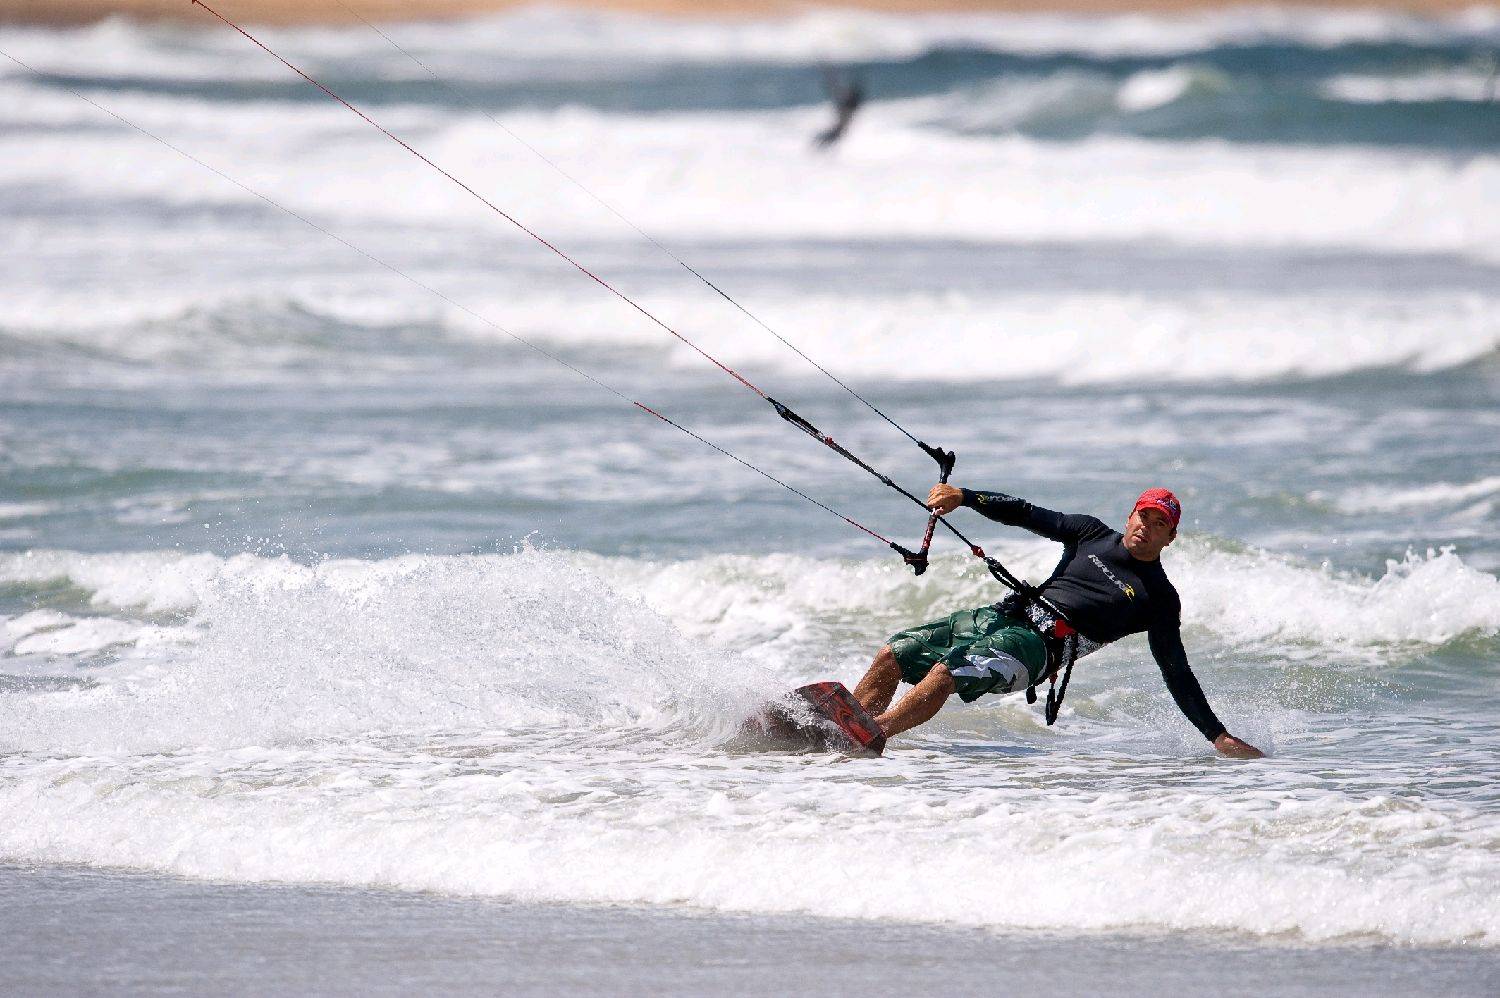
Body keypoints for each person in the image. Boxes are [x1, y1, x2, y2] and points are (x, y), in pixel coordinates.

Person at [852, 485, 1264, 758]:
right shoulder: (1090, 533)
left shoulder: (1158, 598)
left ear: (1170, 537)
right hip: (1006, 615)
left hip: (1039, 650)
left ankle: (870, 735)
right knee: (895, 653)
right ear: (1131, 516)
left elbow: (1177, 673)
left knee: (948, 673)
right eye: (1145, 516)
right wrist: (966, 496)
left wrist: (1217, 735)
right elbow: (1027, 514)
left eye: (1161, 525)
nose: (1148, 528)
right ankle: (847, 726)